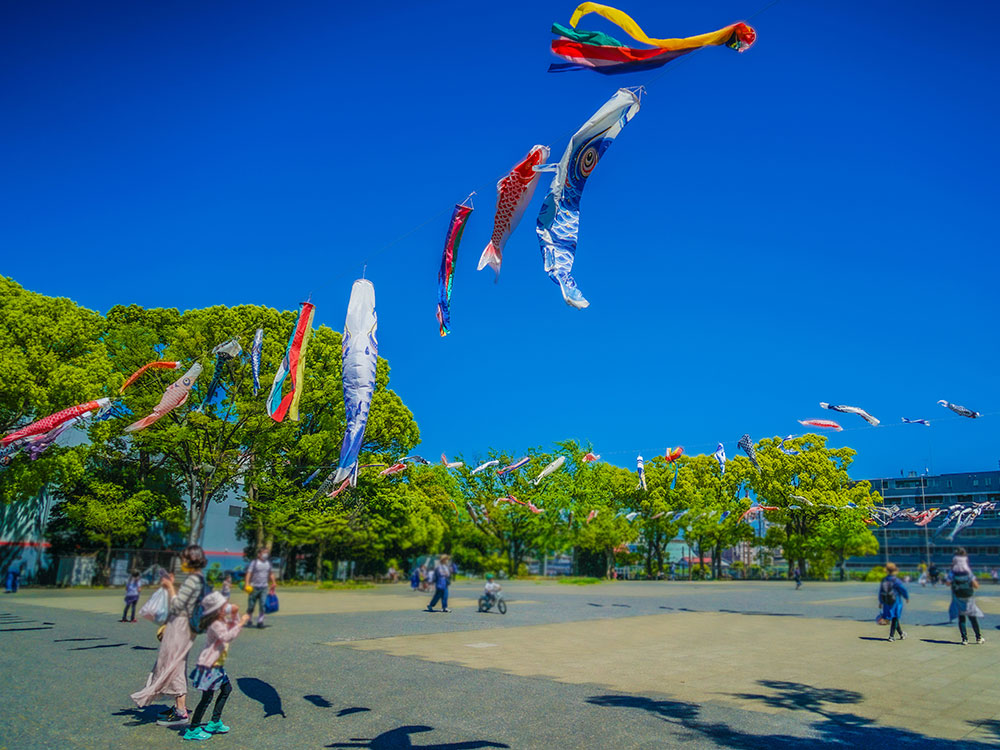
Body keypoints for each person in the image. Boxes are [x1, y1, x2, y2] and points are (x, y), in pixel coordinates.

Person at [131, 544, 209, 727]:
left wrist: (169, 587)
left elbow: (177, 606)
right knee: (174, 663)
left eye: (183, 559)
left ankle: (181, 712)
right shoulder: (198, 579)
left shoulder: (193, 581)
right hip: (184, 627)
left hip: (180, 628)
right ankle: (178, 708)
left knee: (173, 664)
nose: (181, 562)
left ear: (191, 560)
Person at [183, 594, 251, 741]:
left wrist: (235, 615)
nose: (226, 608)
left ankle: (214, 722)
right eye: (223, 606)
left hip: (217, 665)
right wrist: (241, 623)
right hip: (209, 666)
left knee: (227, 689)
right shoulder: (214, 624)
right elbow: (227, 637)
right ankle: (193, 729)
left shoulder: (220, 620)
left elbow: (232, 627)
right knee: (207, 698)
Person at [950, 563, 986, 645]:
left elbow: (950, 584)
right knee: (973, 619)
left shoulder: (954, 575)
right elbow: (976, 586)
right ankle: (978, 638)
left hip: (959, 598)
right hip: (968, 598)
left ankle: (964, 639)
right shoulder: (968, 574)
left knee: (962, 619)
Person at [245, 547, 276, 629]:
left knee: (263, 604)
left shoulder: (268, 563)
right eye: (264, 552)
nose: (266, 554)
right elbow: (249, 573)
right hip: (254, 587)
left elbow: (271, 573)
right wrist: (247, 583)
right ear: (259, 554)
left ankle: (260, 621)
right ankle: (249, 619)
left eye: (267, 552)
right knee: (251, 605)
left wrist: (273, 582)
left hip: (264, 587)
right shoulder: (254, 563)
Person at [878, 562, 909, 642]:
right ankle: (891, 636)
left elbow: (881, 591)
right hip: (895, 601)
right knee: (895, 618)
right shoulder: (896, 580)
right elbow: (903, 589)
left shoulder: (884, 579)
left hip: (886, 602)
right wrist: (906, 597)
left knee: (894, 618)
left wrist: (881, 602)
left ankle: (901, 634)